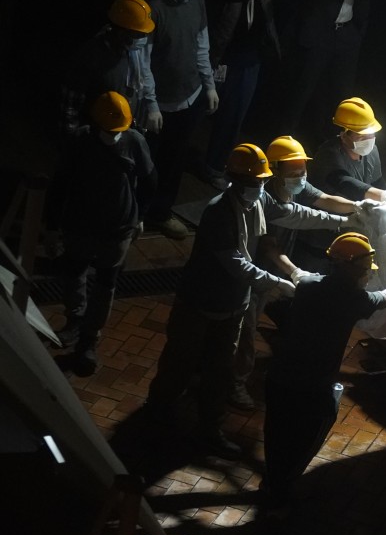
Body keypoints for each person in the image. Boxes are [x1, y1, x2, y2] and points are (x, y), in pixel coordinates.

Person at [143, 143, 351, 460]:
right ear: (234, 179)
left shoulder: (258, 202)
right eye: (251, 181)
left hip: (233, 306)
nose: (257, 186)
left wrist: (342, 220)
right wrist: (281, 283)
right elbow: (237, 263)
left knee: (220, 372)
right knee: (178, 366)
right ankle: (156, 421)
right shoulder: (218, 212)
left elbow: (293, 214)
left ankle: (211, 430)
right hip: (198, 304)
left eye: (259, 181)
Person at [261, 232, 386, 516]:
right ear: (349, 267)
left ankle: (271, 484)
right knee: (304, 438)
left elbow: (293, 270)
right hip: (312, 386)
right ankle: (280, 492)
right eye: (364, 269)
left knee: (276, 434)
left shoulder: (309, 285)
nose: (366, 275)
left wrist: (273, 252)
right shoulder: (354, 299)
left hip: (279, 378)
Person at [229, 135, 367, 410]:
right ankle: (233, 386)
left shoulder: (294, 187)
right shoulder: (265, 198)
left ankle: (226, 374)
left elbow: (324, 200)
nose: (300, 177)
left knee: (248, 327)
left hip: (268, 276)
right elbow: (272, 243)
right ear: (275, 170)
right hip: (255, 275)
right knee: (244, 334)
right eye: (294, 172)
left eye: (303, 171)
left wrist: (357, 207)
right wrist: (294, 273)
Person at [49, 92, 156, 377]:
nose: (114, 135)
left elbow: (149, 181)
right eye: (108, 130)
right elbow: (60, 184)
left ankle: (89, 339)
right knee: (74, 272)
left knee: (106, 283)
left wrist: (140, 217)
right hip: (80, 225)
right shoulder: (79, 141)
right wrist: (51, 226)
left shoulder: (134, 142)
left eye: (117, 130)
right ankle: (75, 320)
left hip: (117, 227)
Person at [201, 0, 303, 191]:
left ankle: (218, 163)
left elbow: (266, 10)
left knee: (236, 114)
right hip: (226, 56)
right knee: (214, 112)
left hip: (251, 56)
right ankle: (207, 164)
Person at [280, 0, 378, 141]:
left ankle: (331, 146)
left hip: (346, 35)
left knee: (341, 96)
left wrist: (357, 33)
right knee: (302, 91)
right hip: (319, 34)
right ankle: (283, 142)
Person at [143, 0, 220, 240]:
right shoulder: (152, 8)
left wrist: (209, 85)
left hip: (189, 97)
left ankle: (161, 214)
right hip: (159, 104)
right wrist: (149, 104)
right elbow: (142, 62)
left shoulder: (196, 0)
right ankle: (136, 215)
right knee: (146, 163)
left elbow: (202, 44)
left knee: (174, 163)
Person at [298, 97, 386, 269]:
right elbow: (343, 182)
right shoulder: (328, 154)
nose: (369, 138)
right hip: (321, 235)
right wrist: (380, 195)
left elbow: (377, 181)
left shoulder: (371, 152)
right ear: (343, 134)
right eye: (361, 135)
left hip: (353, 229)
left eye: (371, 133)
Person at [60, 0, 156, 140]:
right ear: (121, 32)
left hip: (118, 134)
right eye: (138, 34)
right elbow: (71, 103)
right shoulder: (91, 56)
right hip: (95, 137)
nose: (142, 39)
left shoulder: (129, 51)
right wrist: (73, 140)